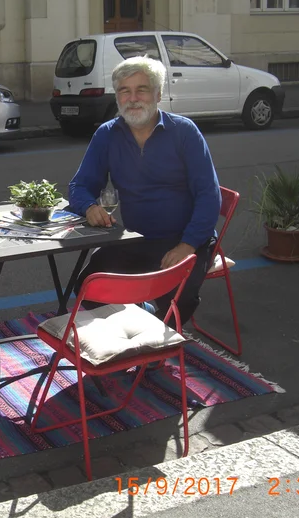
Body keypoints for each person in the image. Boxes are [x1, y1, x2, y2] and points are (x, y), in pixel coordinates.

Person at [68, 55, 221, 326]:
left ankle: (151, 353)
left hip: (187, 239)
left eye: (142, 89)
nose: (132, 98)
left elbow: (209, 196)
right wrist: (89, 207)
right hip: (136, 239)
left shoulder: (184, 132)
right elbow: (80, 186)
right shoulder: (107, 134)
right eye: (124, 91)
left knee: (178, 300)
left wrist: (187, 245)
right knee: (88, 286)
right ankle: (126, 334)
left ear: (158, 94)